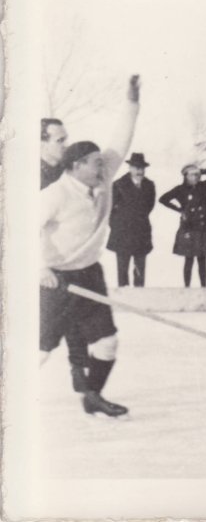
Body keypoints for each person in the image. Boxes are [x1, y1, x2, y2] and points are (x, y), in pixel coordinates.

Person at [39, 74, 141, 417]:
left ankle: (92, 396)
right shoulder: (54, 195)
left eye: (103, 163)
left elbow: (120, 140)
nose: (105, 167)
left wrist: (131, 101)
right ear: (76, 166)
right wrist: (40, 268)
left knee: (107, 343)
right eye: (97, 163)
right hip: (54, 280)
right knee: (40, 351)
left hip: (89, 275)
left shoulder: (102, 177)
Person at [159, 165, 206, 288]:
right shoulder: (180, 189)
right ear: (185, 176)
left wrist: (202, 170)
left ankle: (204, 287)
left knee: (202, 260)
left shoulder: (203, 186)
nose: (196, 177)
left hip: (203, 228)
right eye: (192, 174)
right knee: (189, 259)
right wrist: (179, 210)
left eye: (197, 175)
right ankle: (187, 287)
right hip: (188, 227)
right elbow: (163, 199)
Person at [107, 153, 155, 287]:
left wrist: (138, 219)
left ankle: (139, 298)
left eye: (142, 168)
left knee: (140, 269)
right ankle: (124, 298)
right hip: (123, 233)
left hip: (141, 233)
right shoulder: (118, 185)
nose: (139, 171)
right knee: (122, 270)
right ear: (130, 168)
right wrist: (117, 226)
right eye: (136, 168)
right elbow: (109, 209)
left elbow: (149, 206)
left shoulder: (149, 185)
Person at [40, 117, 69, 189]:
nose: (66, 145)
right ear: (42, 144)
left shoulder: (69, 170)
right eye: (60, 140)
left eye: (65, 139)